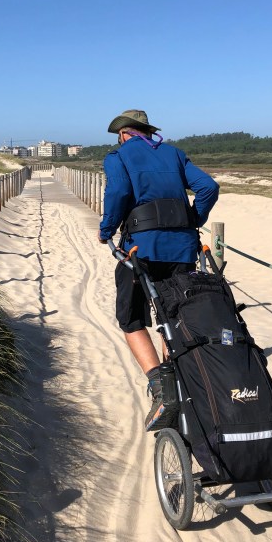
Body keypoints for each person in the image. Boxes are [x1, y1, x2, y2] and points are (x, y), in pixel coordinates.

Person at [98, 109, 219, 430]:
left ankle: (162, 387)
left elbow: (119, 192)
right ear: (149, 132)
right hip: (182, 247)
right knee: (173, 313)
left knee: (131, 318)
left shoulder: (118, 156)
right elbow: (208, 187)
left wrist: (106, 229)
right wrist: (194, 219)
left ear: (124, 133)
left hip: (141, 248)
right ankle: (177, 375)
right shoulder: (174, 153)